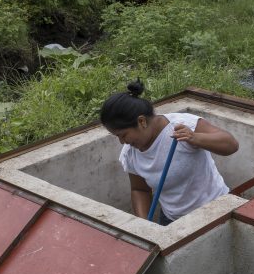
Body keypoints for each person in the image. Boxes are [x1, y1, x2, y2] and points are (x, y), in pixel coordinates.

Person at [100, 80, 238, 224]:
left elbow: (231, 145)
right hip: (172, 220)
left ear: (141, 122)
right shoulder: (130, 154)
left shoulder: (182, 126)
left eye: (123, 135)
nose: (122, 142)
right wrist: (144, 226)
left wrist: (195, 138)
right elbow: (140, 190)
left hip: (215, 210)